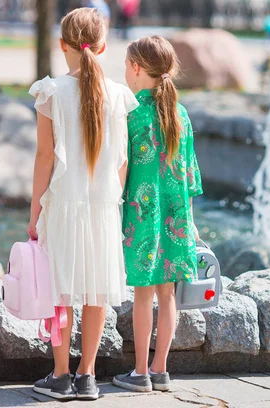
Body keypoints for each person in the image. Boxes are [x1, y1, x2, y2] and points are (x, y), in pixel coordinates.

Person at [28, 8, 138, 401]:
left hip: (62, 205)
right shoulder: (120, 95)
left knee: (60, 292)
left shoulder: (50, 91)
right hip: (103, 207)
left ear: (62, 46)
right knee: (94, 292)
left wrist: (34, 212)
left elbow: (45, 157)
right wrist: (114, 203)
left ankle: (60, 375)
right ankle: (87, 377)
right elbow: (122, 160)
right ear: (104, 46)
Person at [113, 36, 202, 394]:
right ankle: (161, 370)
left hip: (142, 218)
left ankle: (139, 373)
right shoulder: (180, 114)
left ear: (136, 68)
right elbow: (191, 177)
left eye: (126, 66)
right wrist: (190, 222)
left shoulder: (131, 113)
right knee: (168, 296)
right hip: (177, 217)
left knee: (142, 296)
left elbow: (122, 169)